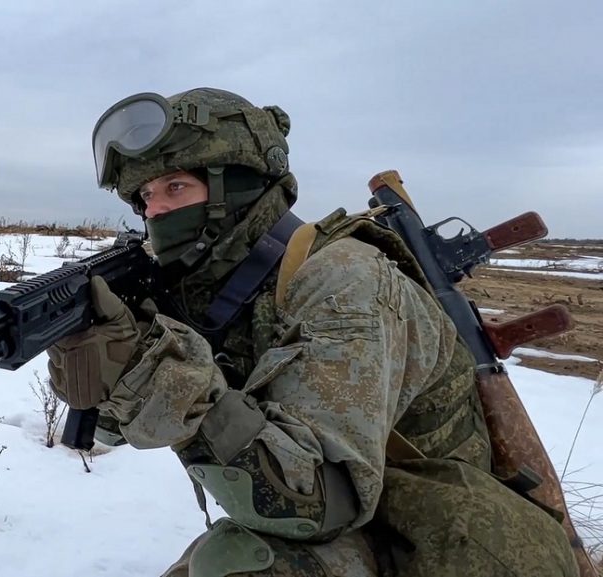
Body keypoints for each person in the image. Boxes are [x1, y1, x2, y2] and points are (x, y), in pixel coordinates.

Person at [47, 88, 577, 576]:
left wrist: (154, 374)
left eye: (176, 186)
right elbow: (115, 433)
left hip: (442, 538)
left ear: (239, 186)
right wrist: (109, 369)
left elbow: (318, 501)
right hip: (359, 520)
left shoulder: (343, 280)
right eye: (144, 195)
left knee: (235, 564)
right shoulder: (216, 285)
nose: (155, 210)